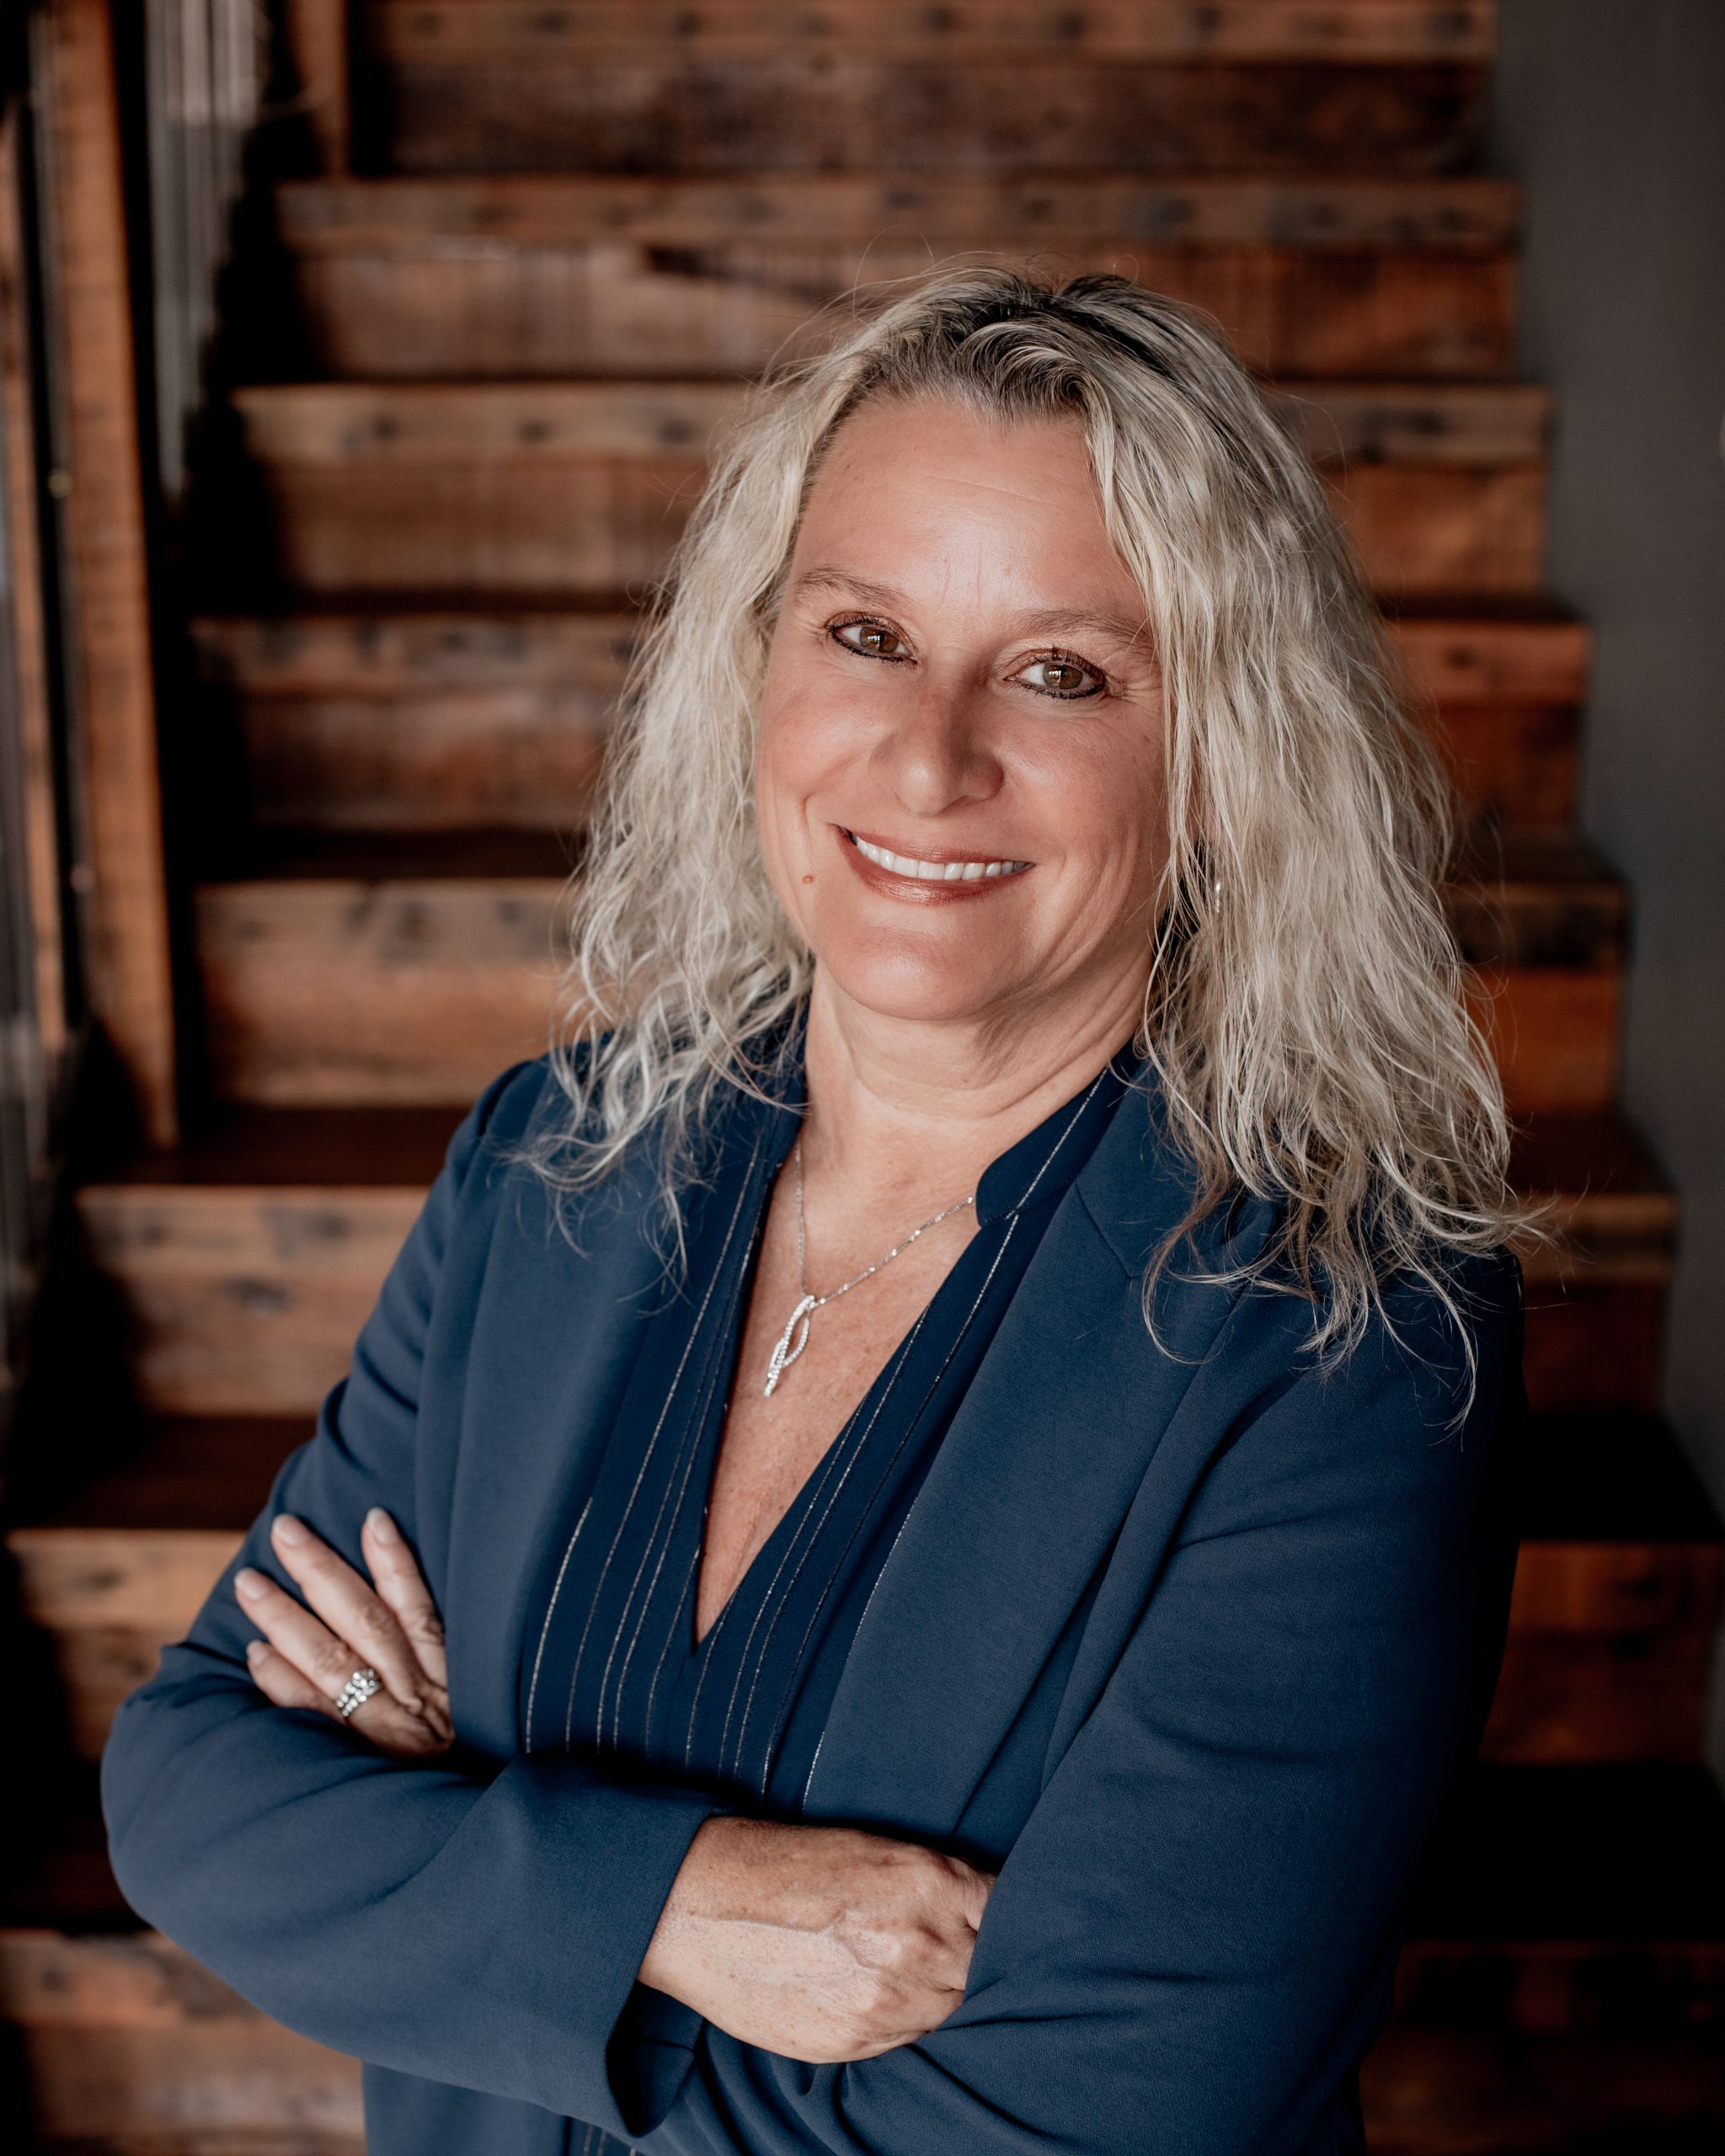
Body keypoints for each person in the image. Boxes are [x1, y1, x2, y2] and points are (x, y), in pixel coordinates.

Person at [101, 266, 1527, 2156]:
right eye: (865, 630)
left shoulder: (1351, 1329)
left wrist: (455, 1873)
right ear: (754, 661)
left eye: (1061, 670)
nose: (927, 757)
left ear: (1222, 767)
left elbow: (1085, 2116)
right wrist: (682, 1902)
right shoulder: (554, 1161)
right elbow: (191, 1787)